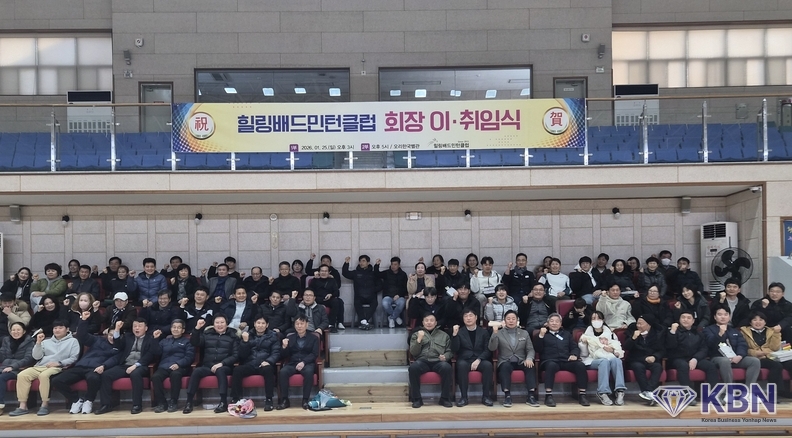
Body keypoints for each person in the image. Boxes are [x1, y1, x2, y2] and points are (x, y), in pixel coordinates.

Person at [51, 316, 124, 415]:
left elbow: (114, 360)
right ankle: (76, 400)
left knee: (93, 378)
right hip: (81, 366)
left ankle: (89, 400)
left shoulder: (119, 347)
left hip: (96, 368)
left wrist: (104, 366)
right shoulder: (98, 340)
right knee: (56, 380)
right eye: (110, 335)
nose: (112, 337)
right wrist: (83, 321)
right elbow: (82, 336)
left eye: (114, 335)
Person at [9, 319, 80, 416]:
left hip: (58, 367)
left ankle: (44, 404)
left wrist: (59, 363)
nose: (57, 330)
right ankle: (23, 406)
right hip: (40, 366)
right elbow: (36, 356)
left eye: (60, 328)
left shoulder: (73, 341)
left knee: (44, 376)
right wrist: (38, 343)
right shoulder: (46, 341)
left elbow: (73, 358)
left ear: (67, 329)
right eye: (55, 328)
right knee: (22, 375)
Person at [95, 318, 161, 415]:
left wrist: (136, 365)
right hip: (125, 364)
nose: (137, 328)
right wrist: (117, 329)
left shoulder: (150, 338)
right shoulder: (128, 336)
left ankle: (137, 405)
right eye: (135, 326)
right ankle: (106, 405)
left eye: (140, 326)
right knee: (106, 375)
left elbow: (151, 354)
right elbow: (118, 346)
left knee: (135, 374)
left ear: (146, 328)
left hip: (141, 365)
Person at [183, 314, 239, 414]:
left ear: (227, 324)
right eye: (217, 323)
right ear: (213, 324)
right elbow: (195, 342)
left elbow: (235, 355)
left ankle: (223, 402)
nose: (219, 325)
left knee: (220, 371)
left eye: (222, 322)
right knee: (196, 371)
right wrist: (197, 329)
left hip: (224, 366)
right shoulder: (207, 334)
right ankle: (189, 401)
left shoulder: (233, 336)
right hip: (208, 365)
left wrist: (222, 363)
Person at [535, 313, 589, 407]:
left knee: (580, 365)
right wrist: (541, 335)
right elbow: (537, 349)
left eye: (557, 321)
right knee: (551, 366)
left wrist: (574, 354)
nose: (554, 323)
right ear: (547, 323)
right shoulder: (542, 334)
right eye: (552, 321)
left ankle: (582, 395)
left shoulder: (567, 334)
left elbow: (574, 347)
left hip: (566, 360)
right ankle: (548, 396)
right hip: (550, 360)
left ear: (561, 324)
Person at [665, 310, 718, 405]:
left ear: (693, 321)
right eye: (683, 317)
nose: (685, 320)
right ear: (679, 319)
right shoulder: (673, 331)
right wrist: (672, 332)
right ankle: (687, 395)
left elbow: (703, 349)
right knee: (683, 365)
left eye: (689, 318)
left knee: (710, 366)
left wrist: (695, 359)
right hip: (677, 358)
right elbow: (670, 346)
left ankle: (713, 395)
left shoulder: (698, 332)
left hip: (694, 358)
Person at [488, 310, 538, 407]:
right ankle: (507, 396)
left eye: (513, 319)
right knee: (505, 367)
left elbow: (530, 349)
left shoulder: (524, 333)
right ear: (504, 321)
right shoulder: (499, 333)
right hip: (505, 360)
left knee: (530, 366)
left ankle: (531, 396)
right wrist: (495, 333)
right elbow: (492, 348)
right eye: (508, 319)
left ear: (517, 320)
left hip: (521, 360)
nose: (511, 321)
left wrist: (529, 358)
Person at [704, 307, 761, 390]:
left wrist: (740, 356)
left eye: (726, 314)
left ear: (729, 317)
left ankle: (749, 390)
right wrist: (720, 334)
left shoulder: (734, 330)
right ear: (715, 317)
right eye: (720, 314)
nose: (723, 317)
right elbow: (710, 345)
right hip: (717, 357)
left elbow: (742, 344)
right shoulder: (708, 330)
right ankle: (729, 390)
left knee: (754, 361)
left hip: (735, 357)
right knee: (725, 361)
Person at [231, 316, 280, 411]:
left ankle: (269, 399)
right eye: (258, 323)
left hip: (264, 364)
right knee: (237, 370)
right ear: (254, 324)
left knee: (269, 369)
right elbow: (242, 355)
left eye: (263, 323)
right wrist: (245, 342)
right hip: (250, 364)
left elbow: (276, 352)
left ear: (267, 325)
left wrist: (269, 361)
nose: (260, 325)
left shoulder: (273, 336)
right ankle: (236, 399)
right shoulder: (247, 335)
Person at [741, 310, 792, 398]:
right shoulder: (744, 332)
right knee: (776, 366)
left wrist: (776, 333)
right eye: (755, 320)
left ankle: (787, 391)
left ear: (765, 322)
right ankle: (776, 392)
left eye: (761, 320)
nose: (758, 322)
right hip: (757, 358)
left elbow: (775, 348)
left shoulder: (771, 331)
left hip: (772, 355)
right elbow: (743, 348)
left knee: (790, 364)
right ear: (750, 322)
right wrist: (755, 353)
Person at [579, 311, 626, 406]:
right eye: (593, 318)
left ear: (603, 320)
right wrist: (583, 342)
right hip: (592, 359)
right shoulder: (586, 335)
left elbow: (618, 349)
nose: (596, 320)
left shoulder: (611, 334)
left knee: (617, 361)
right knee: (604, 362)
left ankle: (620, 391)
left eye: (598, 318)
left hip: (609, 357)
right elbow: (583, 353)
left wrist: (612, 350)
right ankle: (602, 392)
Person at [408, 313, 453, 408]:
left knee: (447, 367)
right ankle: (417, 399)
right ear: (423, 322)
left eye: (431, 320)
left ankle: (445, 398)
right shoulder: (416, 334)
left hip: (438, 361)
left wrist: (445, 356)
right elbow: (413, 352)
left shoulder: (444, 335)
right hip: (422, 361)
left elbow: (449, 351)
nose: (429, 323)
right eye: (426, 320)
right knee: (413, 368)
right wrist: (419, 340)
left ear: (436, 323)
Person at [150, 319, 194, 413]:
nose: (176, 329)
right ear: (171, 329)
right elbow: (156, 353)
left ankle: (173, 402)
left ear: (183, 330)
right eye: (174, 327)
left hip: (180, 367)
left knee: (175, 375)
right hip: (164, 366)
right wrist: (155, 339)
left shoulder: (187, 342)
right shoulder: (164, 341)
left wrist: (178, 364)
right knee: (155, 377)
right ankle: (162, 403)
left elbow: (189, 357)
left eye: (178, 327)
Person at [277, 315, 320, 410]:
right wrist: (284, 347)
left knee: (309, 372)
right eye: (297, 324)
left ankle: (305, 400)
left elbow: (314, 354)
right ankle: (285, 400)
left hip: (307, 363)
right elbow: (284, 355)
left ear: (307, 324)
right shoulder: (290, 337)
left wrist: (304, 362)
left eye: (302, 323)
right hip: (293, 362)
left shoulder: (314, 338)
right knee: (283, 372)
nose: (299, 326)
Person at [452, 309, 493, 407]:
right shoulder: (460, 332)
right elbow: (454, 349)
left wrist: (479, 359)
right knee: (461, 365)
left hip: (480, 358)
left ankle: (486, 397)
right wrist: (454, 335)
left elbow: (487, 350)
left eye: (470, 316)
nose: (468, 318)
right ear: (463, 319)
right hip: (465, 359)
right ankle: (464, 397)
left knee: (488, 365)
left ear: (476, 317)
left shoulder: (484, 332)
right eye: (466, 316)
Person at [624, 314, 665, 403]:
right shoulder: (632, 331)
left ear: (648, 325)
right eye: (637, 323)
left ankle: (648, 391)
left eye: (641, 324)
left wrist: (654, 357)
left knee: (658, 367)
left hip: (650, 359)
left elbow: (662, 350)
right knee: (638, 367)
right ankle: (647, 392)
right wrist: (633, 338)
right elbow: (626, 347)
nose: (638, 325)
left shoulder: (657, 334)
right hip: (635, 359)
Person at [0, 322, 35, 413]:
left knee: (1, 378)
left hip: (20, 369)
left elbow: (28, 358)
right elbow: (2, 356)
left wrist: (12, 367)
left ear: (24, 331)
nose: (16, 332)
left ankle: (0, 405)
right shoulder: (6, 340)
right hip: (5, 367)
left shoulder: (30, 341)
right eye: (13, 330)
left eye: (18, 330)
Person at [342, 255, 382, 330]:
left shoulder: (373, 273)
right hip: (359, 296)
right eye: (360, 261)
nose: (361, 263)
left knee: (374, 304)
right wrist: (346, 263)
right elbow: (345, 273)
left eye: (363, 261)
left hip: (371, 296)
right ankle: (364, 321)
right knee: (357, 303)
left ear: (368, 262)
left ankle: (364, 321)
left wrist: (373, 290)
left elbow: (380, 285)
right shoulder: (355, 273)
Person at [310, 265, 344, 333]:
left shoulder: (332, 280)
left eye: (326, 271)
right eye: (322, 271)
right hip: (317, 299)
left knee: (337, 301)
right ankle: (338, 322)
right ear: (319, 272)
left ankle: (331, 324)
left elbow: (337, 292)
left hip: (328, 299)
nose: (324, 273)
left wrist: (331, 294)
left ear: (329, 272)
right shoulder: (314, 280)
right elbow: (310, 291)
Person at [379, 257, 408, 329]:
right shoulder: (386, 273)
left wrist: (399, 295)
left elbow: (405, 287)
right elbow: (377, 274)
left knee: (402, 303)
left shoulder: (403, 274)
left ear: (399, 265)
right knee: (385, 303)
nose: (393, 266)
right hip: (388, 296)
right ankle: (396, 317)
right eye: (392, 264)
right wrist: (377, 265)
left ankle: (391, 318)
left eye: (395, 264)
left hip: (399, 296)